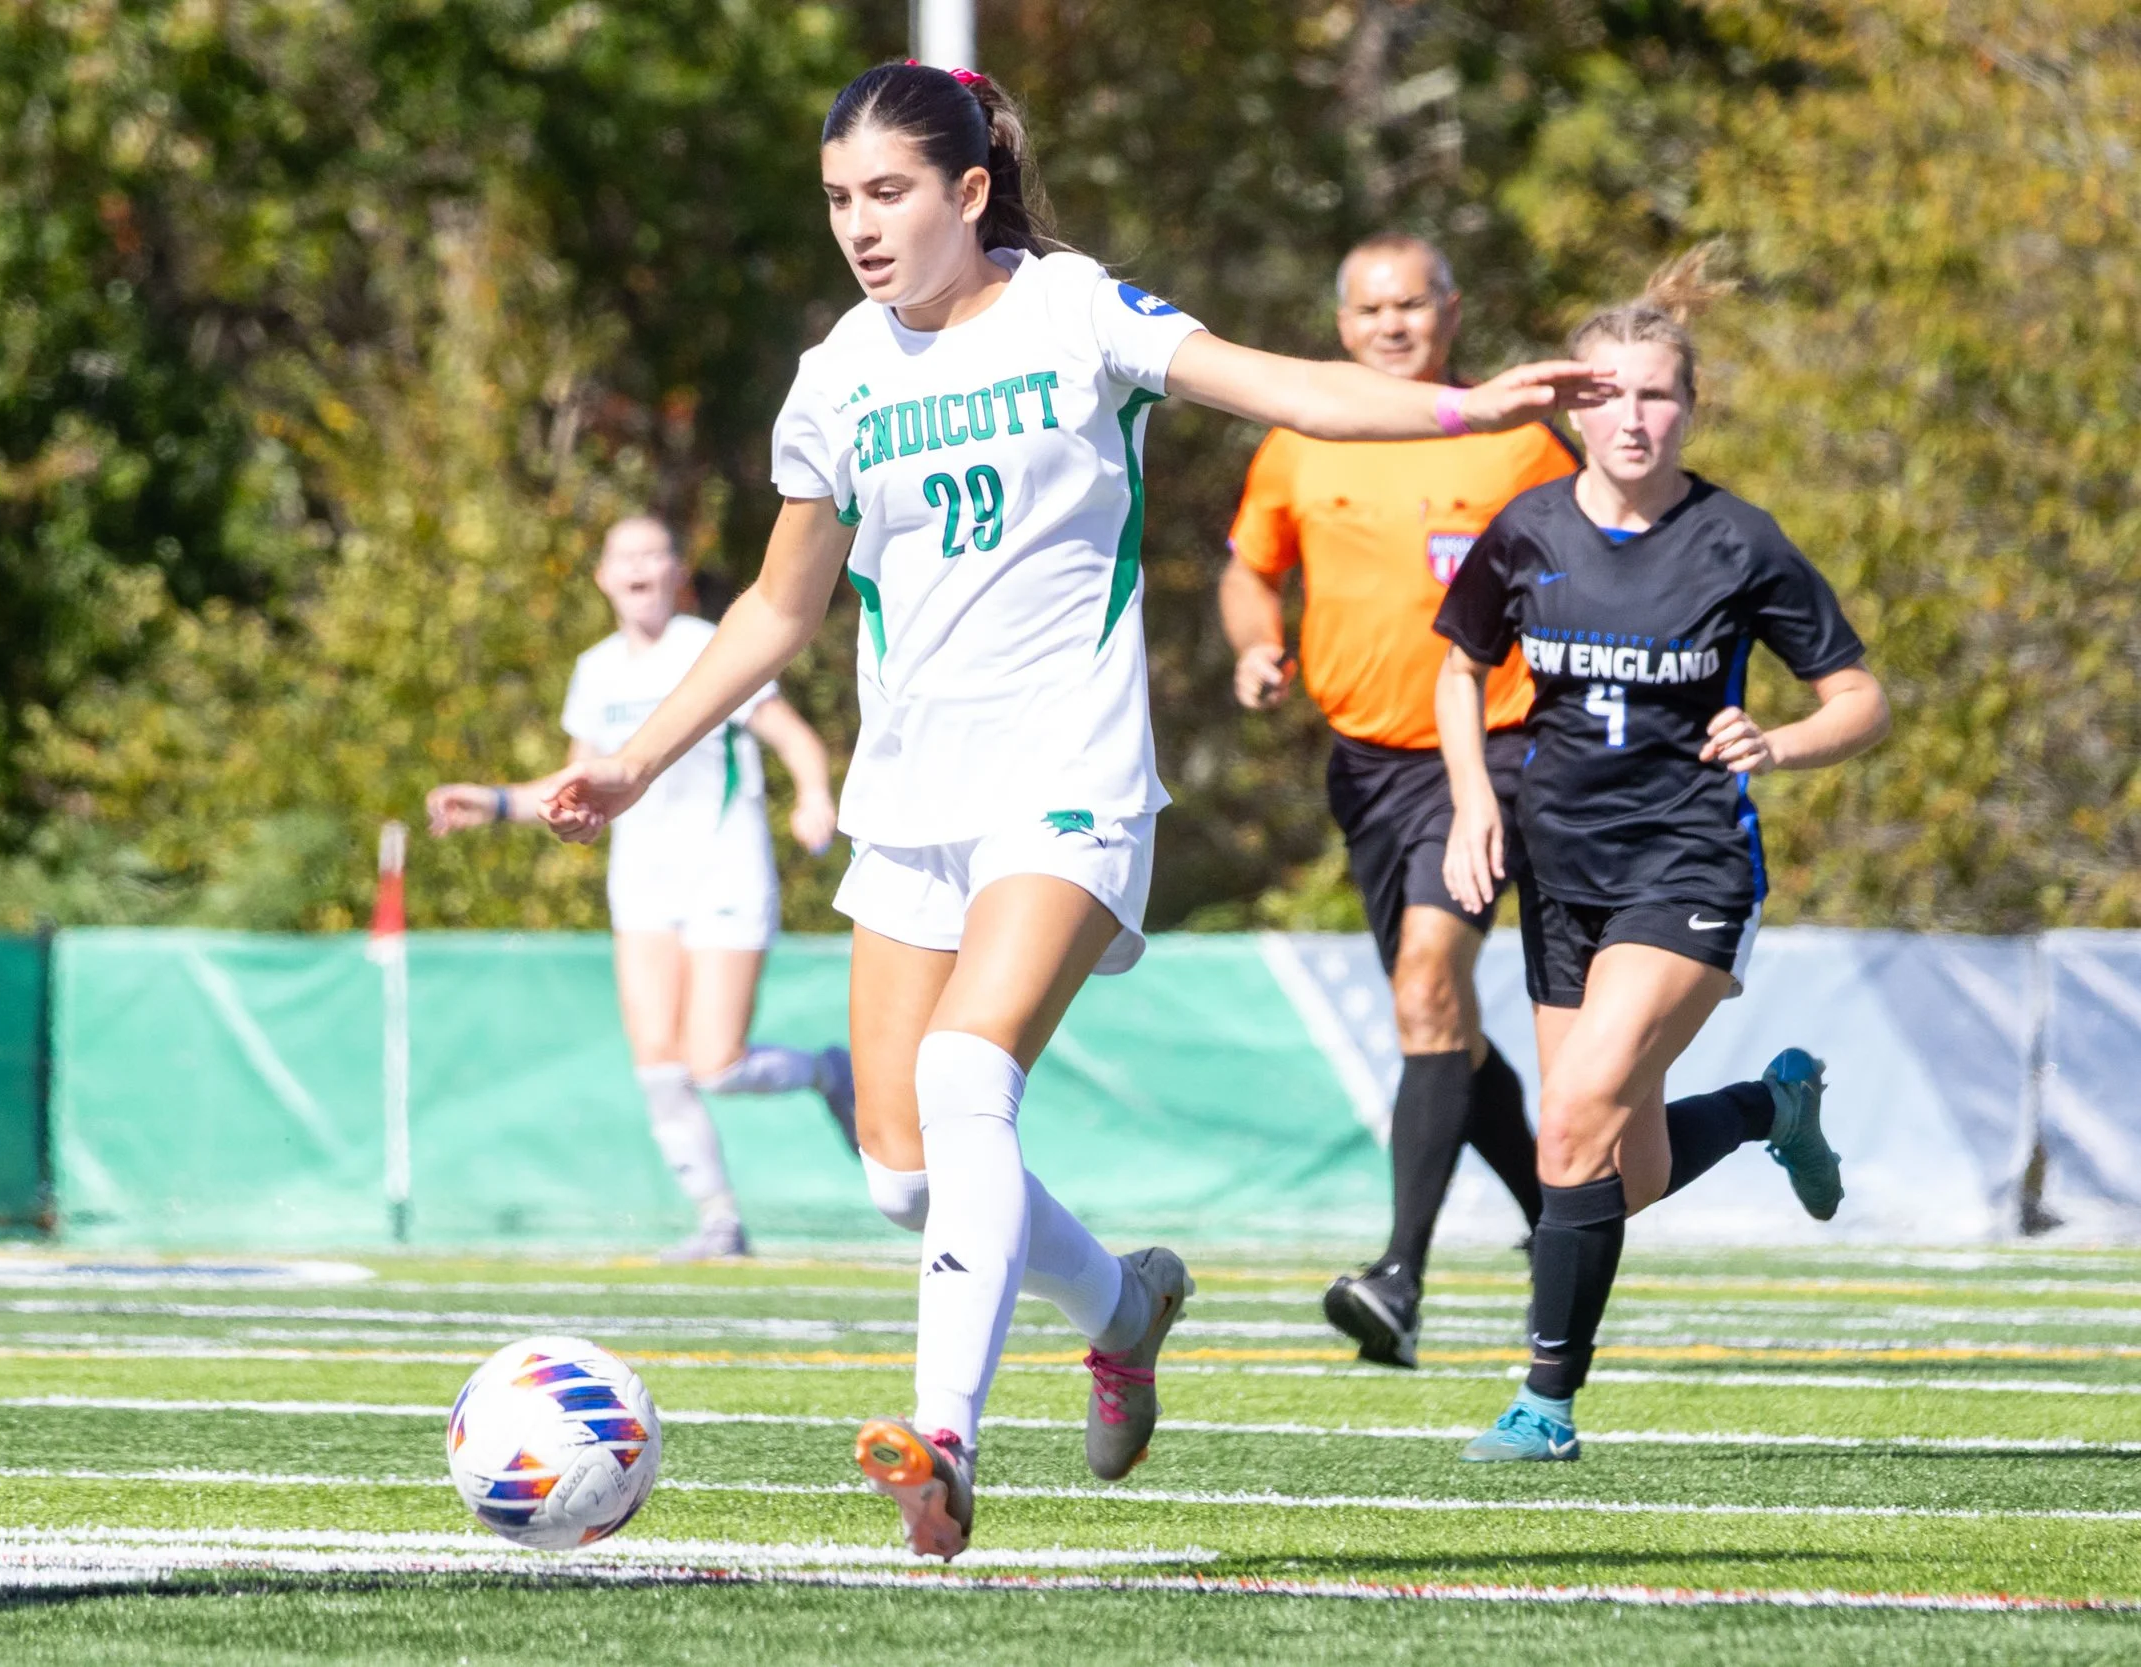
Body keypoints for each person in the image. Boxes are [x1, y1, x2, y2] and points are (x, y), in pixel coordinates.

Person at [536, 60, 1610, 1558]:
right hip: (915, 806)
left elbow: (1286, 387)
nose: (860, 222)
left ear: (971, 193)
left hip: (1070, 782)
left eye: (891, 192)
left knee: (974, 1077)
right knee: (903, 1174)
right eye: (841, 197)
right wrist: (639, 758)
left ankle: (944, 1443)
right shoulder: (837, 374)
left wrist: (1463, 404)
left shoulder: (1076, 311)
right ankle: (1123, 1301)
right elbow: (778, 612)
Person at [1431, 251, 1891, 1461]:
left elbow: (1861, 696)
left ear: (1690, 409)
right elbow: (1457, 663)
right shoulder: (1525, 530)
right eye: (1610, 393)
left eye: (1657, 394)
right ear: (1573, 406)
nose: (1632, 416)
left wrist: (1781, 741)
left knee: (1573, 1117)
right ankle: (1767, 1107)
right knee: (1605, 1169)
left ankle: (1544, 1403)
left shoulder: (1735, 540)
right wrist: (1474, 794)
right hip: (1557, 874)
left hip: (1686, 868)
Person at [1220, 232, 1578, 1368]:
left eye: (1410, 306)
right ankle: (1557, 1218)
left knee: (1429, 981)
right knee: (1439, 1024)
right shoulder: (1301, 436)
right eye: (1369, 309)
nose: (1390, 325)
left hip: (1496, 751)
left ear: (1449, 313)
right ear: (1341, 326)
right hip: (1363, 766)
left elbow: (1609, 553)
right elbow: (1246, 565)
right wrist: (1255, 643)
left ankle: (1399, 1279)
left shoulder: (1518, 441)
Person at [427, 514, 858, 1263]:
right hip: (644, 882)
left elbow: (791, 736)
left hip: (725, 866)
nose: (638, 567)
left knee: (714, 1064)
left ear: (674, 569)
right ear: (601, 576)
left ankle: (827, 1069)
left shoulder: (707, 644)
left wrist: (813, 794)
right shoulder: (596, 669)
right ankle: (719, 1220)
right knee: (658, 1062)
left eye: (653, 553)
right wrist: (495, 802)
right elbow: (574, 784)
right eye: (622, 557)